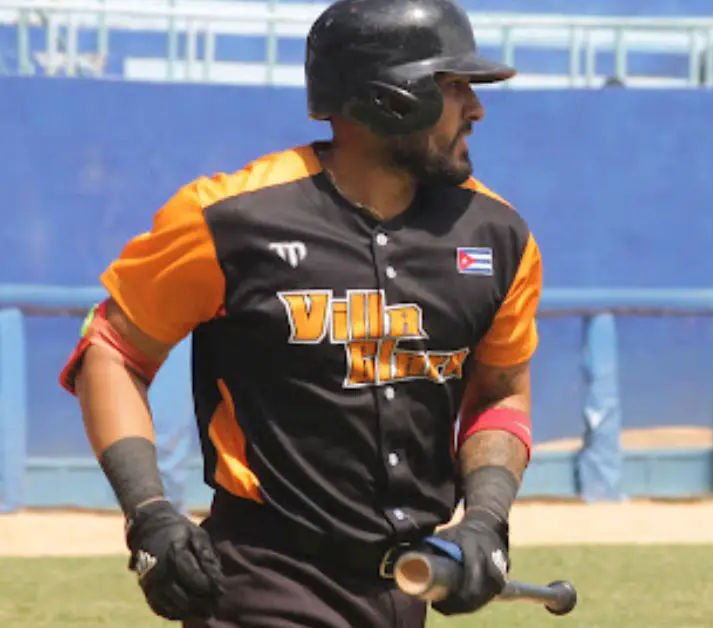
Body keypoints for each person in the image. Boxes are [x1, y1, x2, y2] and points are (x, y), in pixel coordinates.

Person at [57, 0, 544, 625]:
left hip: (409, 591)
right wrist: (149, 513)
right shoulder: (232, 218)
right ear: (390, 98)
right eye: (453, 88)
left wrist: (485, 518)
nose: (475, 109)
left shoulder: (498, 235)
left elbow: (501, 391)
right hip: (264, 583)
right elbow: (113, 351)